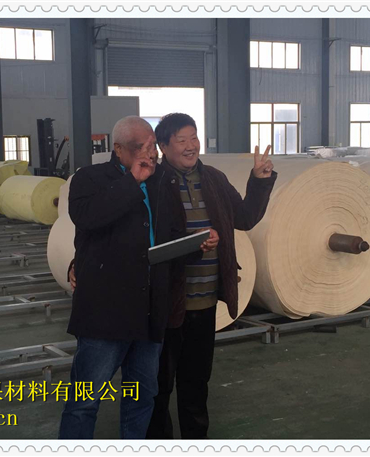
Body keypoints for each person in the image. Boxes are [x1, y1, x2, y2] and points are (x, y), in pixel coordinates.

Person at [58, 115, 216, 440]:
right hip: (105, 315)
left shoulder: (161, 183)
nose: (149, 154)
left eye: (152, 146)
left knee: (142, 398)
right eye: (139, 147)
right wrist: (133, 180)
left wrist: (195, 245)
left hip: (149, 314)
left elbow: (169, 238)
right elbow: (89, 218)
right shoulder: (89, 179)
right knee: (84, 402)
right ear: (118, 149)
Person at [145, 113, 277, 439]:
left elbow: (244, 218)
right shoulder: (152, 183)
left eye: (194, 138)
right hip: (164, 305)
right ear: (163, 146)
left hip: (204, 304)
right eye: (182, 140)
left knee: (196, 382)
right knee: (158, 386)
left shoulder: (214, 179)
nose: (191, 146)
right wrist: (192, 243)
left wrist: (259, 181)